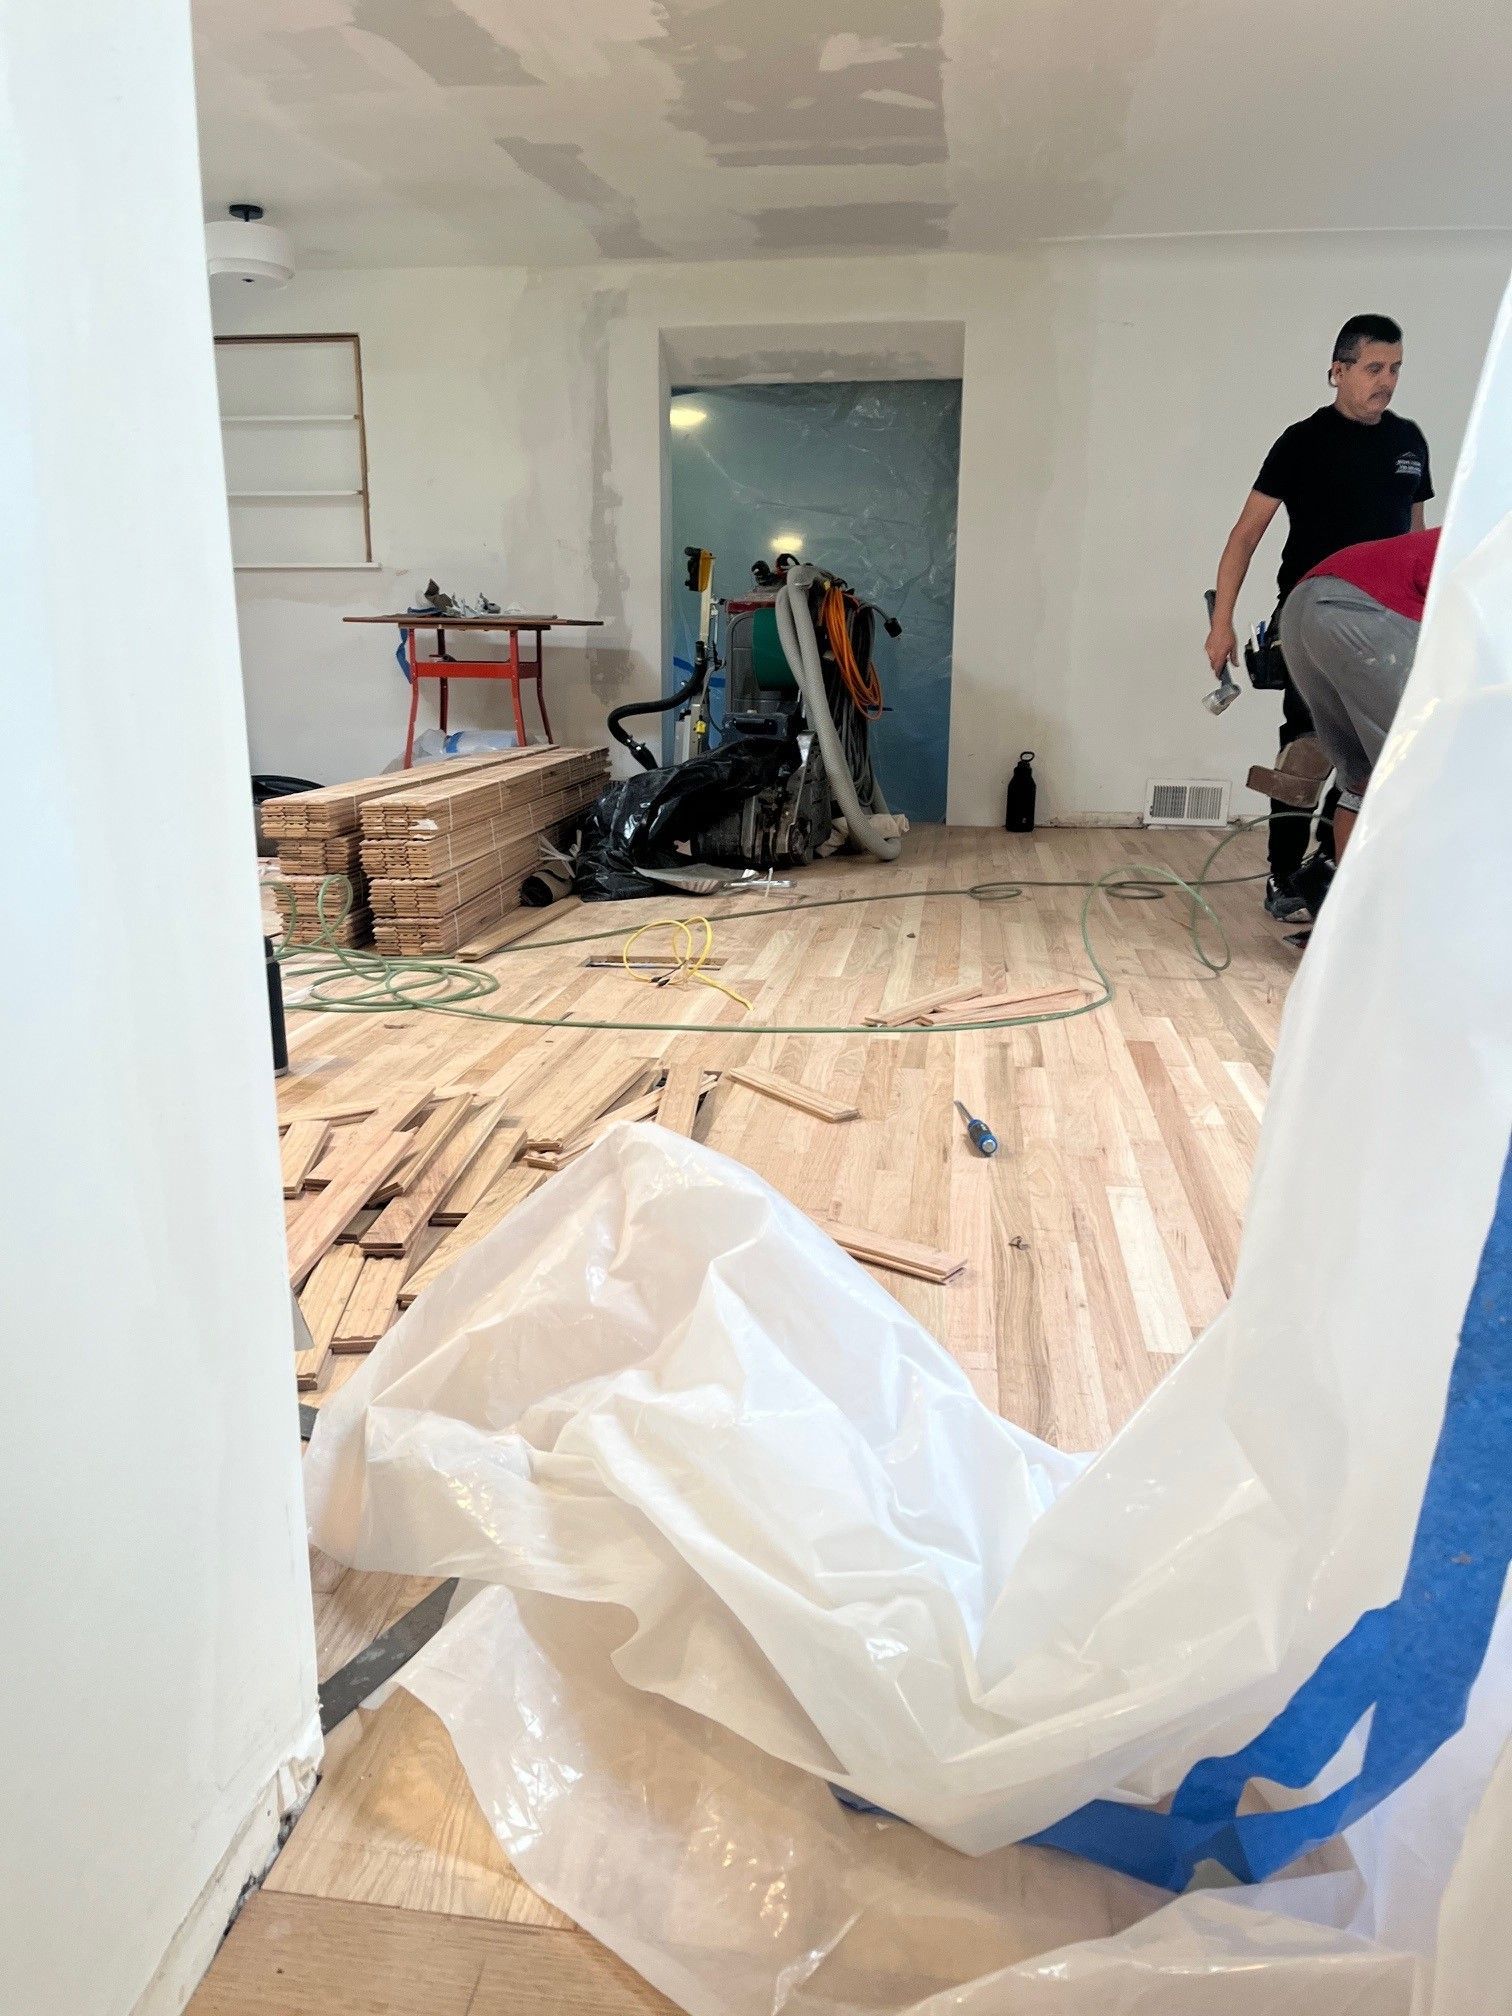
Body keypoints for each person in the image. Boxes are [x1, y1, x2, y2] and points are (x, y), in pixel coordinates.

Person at [1205, 313, 1433, 919]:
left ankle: (1328, 872)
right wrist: (1221, 622)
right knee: (1307, 749)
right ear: (1338, 371)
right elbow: (1245, 534)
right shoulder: (1303, 441)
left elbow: (1414, 538)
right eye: (1373, 368)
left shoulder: (1408, 442)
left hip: (1386, 624)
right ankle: (1282, 876)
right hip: (1315, 618)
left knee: (1374, 752)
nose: (1387, 381)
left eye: (1395, 369)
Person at [1279, 527, 1439, 861]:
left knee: (1363, 779)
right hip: (1362, 610)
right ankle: (1410, 893)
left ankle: (1348, 894)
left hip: (1303, 604)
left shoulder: (1481, 530)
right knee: (1427, 768)